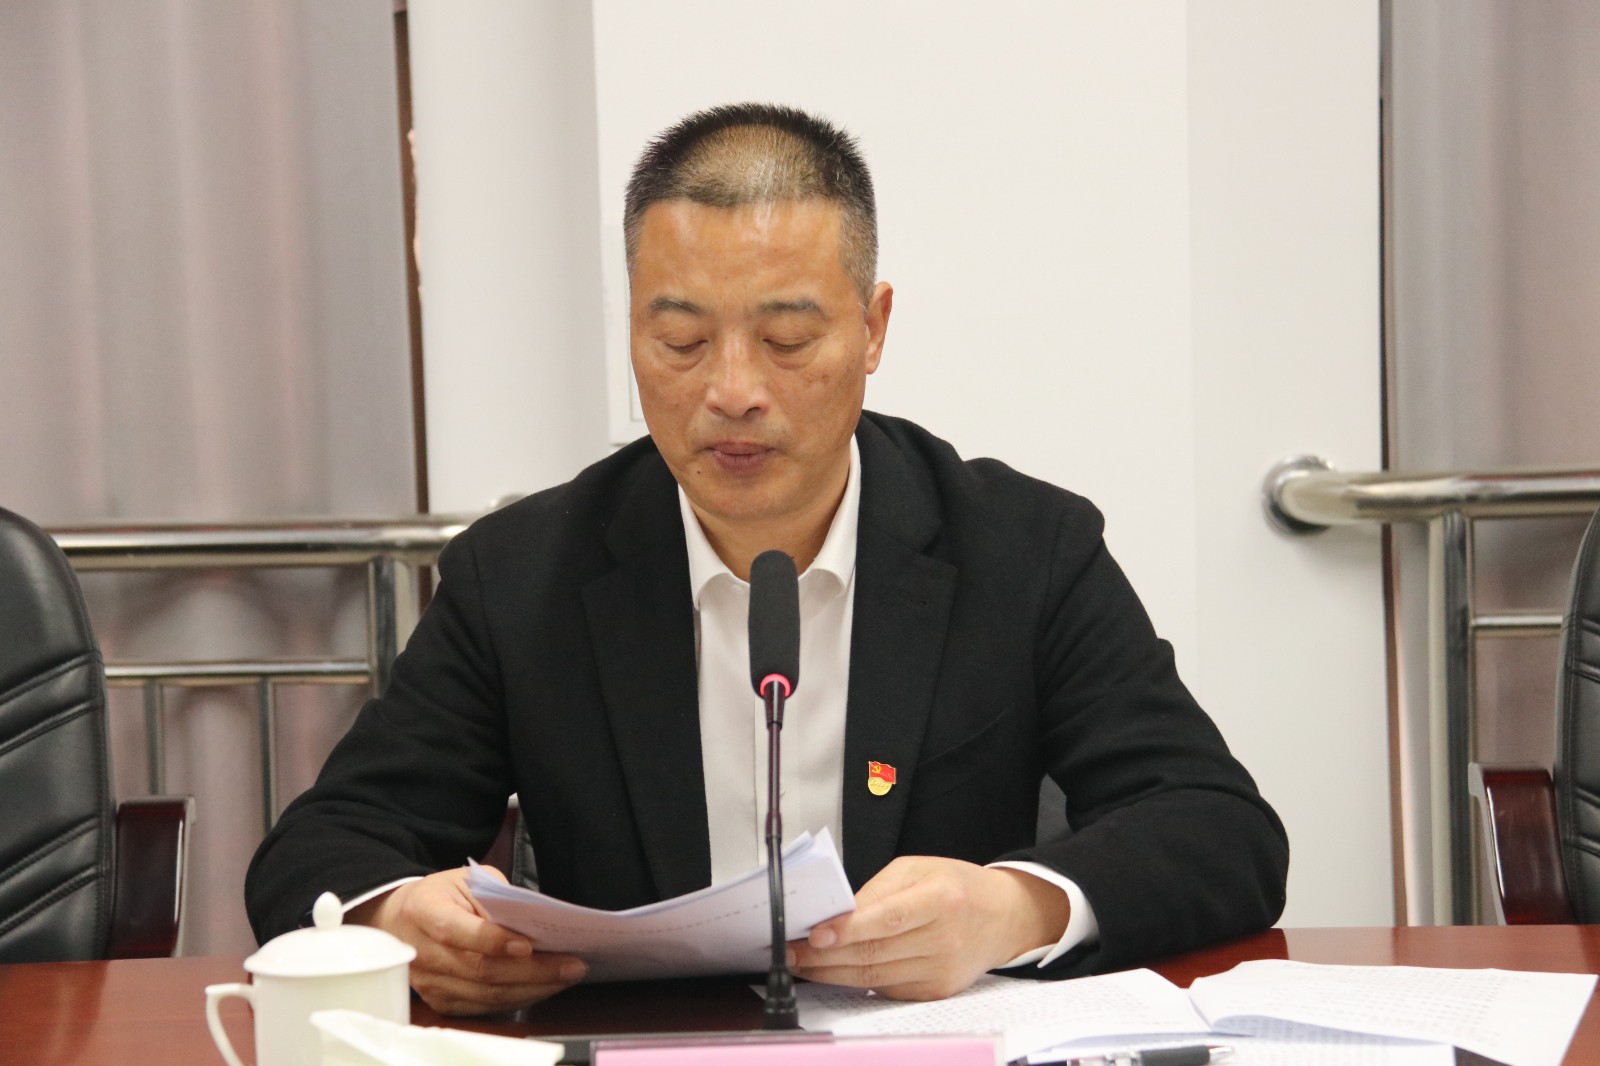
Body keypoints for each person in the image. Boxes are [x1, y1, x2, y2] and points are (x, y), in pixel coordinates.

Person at [245, 103, 1288, 1016]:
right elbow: (321, 846)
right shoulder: (520, 577)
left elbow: (1219, 829)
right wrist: (398, 919)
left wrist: (1013, 908)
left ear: (872, 329)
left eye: (786, 341)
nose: (732, 391)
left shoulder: (1022, 549)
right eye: (681, 342)